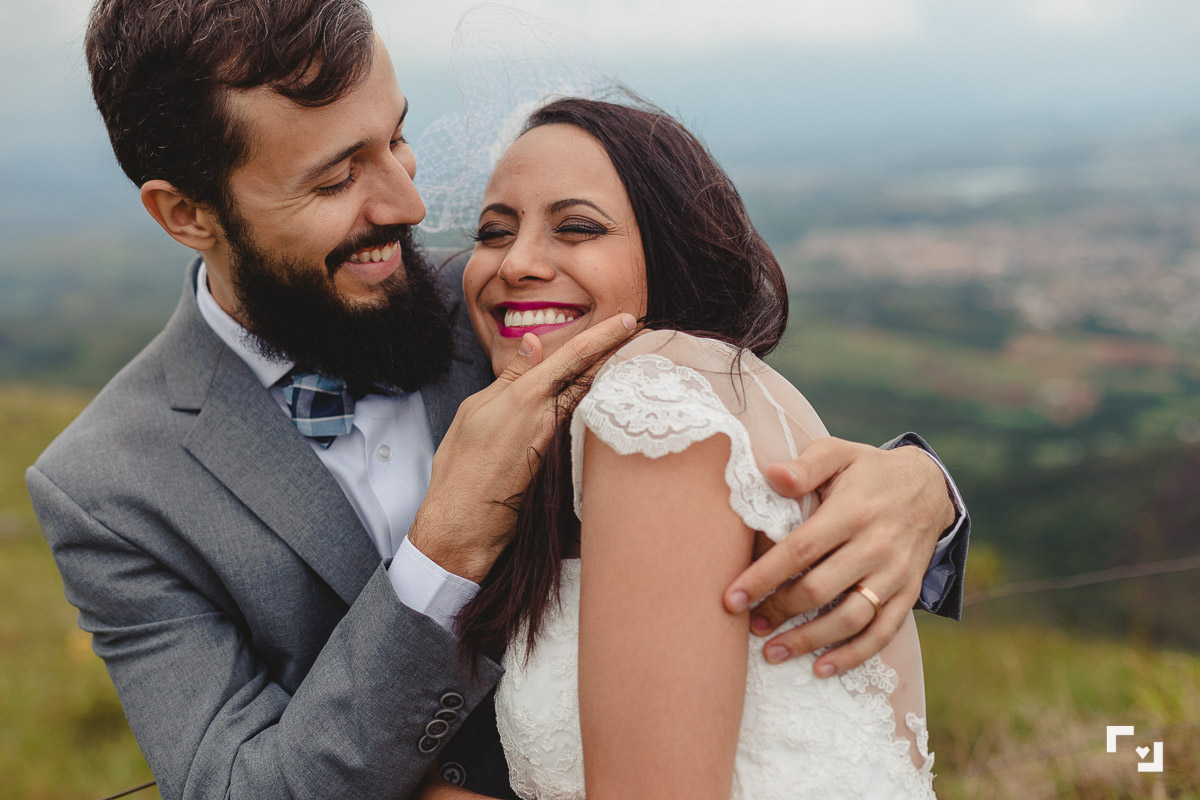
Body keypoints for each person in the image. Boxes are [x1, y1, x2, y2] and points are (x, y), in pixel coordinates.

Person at [25, 2, 966, 798]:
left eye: (396, 138)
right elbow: (234, 788)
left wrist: (925, 492)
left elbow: (729, 432)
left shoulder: (517, 303)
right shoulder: (108, 488)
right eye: (338, 177)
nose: (406, 204)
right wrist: (441, 554)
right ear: (187, 213)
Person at [435, 97, 943, 799]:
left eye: (577, 227)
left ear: (669, 250)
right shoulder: (711, 385)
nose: (517, 261)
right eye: (494, 232)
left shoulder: (649, 400)